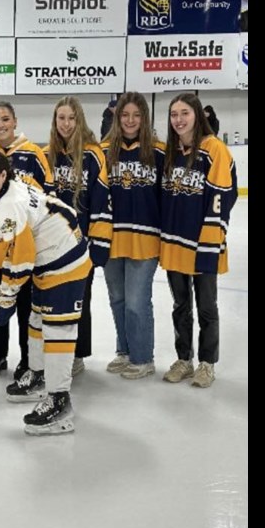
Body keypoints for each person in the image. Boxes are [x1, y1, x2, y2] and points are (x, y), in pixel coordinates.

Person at [0, 150, 91, 435]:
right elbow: (19, 249)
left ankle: (60, 400)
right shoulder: (12, 190)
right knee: (37, 321)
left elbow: (22, 256)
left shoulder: (5, 207)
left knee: (58, 331)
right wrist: (5, 293)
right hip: (51, 258)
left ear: (3, 175)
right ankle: (38, 376)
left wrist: (5, 296)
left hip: (63, 262)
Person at [160, 94, 237, 389]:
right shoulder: (171, 152)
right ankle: (184, 359)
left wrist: (211, 242)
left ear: (197, 116)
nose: (179, 119)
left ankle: (207, 363)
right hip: (174, 243)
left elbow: (221, 200)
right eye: (174, 114)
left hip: (204, 243)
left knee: (206, 307)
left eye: (185, 113)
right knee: (180, 305)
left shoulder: (214, 149)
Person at [0, 101, 54, 381]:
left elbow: (47, 197)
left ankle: (26, 358)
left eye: (5, 119)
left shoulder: (34, 153)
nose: (0, 125)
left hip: (25, 247)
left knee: (24, 305)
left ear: (15, 121)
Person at [100, 92, 165, 380]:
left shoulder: (159, 152)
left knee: (137, 301)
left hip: (146, 237)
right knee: (117, 299)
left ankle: (142, 357)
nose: (130, 121)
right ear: (117, 118)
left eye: (136, 115)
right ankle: (124, 351)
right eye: (125, 115)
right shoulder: (104, 151)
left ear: (144, 118)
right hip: (112, 237)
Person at [45, 96, 113, 376]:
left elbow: (102, 201)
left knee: (78, 300)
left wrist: (98, 244)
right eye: (61, 118)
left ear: (80, 120)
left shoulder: (93, 155)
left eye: (72, 118)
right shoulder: (48, 153)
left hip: (81, 245)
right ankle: (56, 351)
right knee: (53, 301)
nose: (66, 123)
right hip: (52, 245)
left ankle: (78, 355)